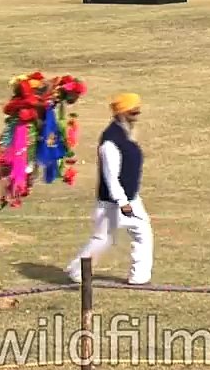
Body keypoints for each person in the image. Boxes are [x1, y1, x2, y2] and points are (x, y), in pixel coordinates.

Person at [65, 93, 153, 286]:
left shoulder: (124, 133)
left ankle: (138, 276)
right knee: (105, 239)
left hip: (128, 198)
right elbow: (111, 176)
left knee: (132, 234)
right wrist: (123, 202)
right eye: (133, 112)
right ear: (121, 113)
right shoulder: (110, 142)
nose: (137, 115)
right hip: (115, 203)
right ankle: (77, 271)